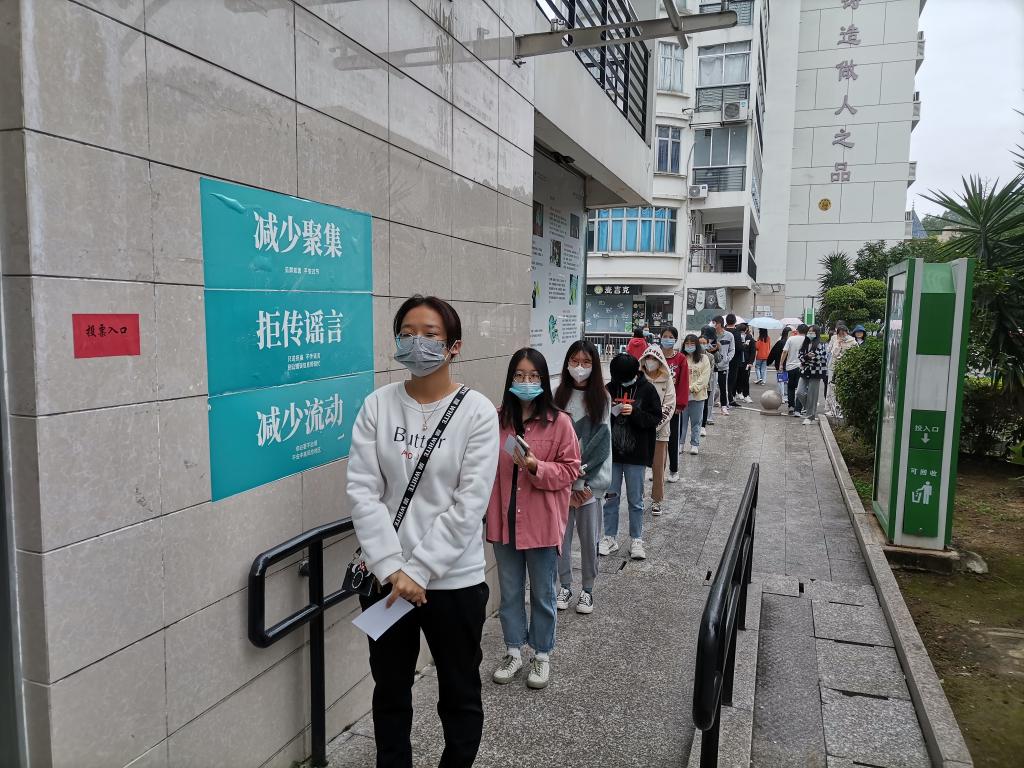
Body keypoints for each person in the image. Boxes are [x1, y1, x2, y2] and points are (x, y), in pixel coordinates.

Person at [347, 295, 500, 768]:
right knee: (390, 692)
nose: (418, 343)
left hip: (453, 582)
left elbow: (469, 504)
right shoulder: (378, 405)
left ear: (454, 345)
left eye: (430, 334)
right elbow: (363, 490)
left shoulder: (477, 412)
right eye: (407, 333)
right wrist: (392, 567)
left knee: (459, 693)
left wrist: (419, 569)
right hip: (388, 582)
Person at [486, 348, 580, 690]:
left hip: (541, 522)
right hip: (504, 521)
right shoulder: (496, 420)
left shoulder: (559, 422)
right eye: (519, 375)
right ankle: (513, 650)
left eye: (533, 376)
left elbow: (570, 470)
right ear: (510, 379)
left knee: (542, 593)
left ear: (543, 380)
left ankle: (541, 654)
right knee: (510, 592)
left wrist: (536, 466)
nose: (526, 382)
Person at [553, 341, 612, 616]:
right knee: (561, 540)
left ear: (594, 366)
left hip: (589, 487)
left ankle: (587, 589)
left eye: (586, 362)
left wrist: (590, 484)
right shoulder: (558, 395)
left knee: (589, 541)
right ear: (567, 364)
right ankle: (564, 585)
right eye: (575, 361)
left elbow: (603, 443)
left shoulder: (602, 398)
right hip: (562, 485)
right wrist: (563, 478)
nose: (580, 367)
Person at [598, 354, 662, 561]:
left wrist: (634, 412)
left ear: (635, 373)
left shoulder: (648, 389)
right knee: (611, 498)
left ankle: (636, 539)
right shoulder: (609, 388)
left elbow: (655, 418)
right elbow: (599, 417)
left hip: (637, 454)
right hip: (612, 454)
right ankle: (610, 537)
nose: (621, 382)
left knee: (636, 500)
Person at [638, 344, 677, 516]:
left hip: (660, 431)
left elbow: (669, 405)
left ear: (660, 361)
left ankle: (657, 500)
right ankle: (638, 496)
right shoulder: (638, 378)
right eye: (647, 358)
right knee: (638, 466)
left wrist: (654, 424)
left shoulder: (667, 379)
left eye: (654, 358)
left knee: (658, 466)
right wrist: (642, 422)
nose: (650, 361)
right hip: (639, 428)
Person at [659, 327, 689, 483]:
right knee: (656, 439)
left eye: (671, 337)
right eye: (665, 336)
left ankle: (673, 470)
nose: (667, 339)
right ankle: (657, 469)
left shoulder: (681, 359)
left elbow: (684, 382)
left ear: (676, 339)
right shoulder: (656, 356)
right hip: (656, 405)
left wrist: (680, 405)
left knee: (672, 439)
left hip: (673, 407)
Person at [680, 334, 712, 454]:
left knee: (696, 422)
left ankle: (694, 444)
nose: (689, 346)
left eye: (692, 343)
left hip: (698, 396)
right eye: (687, 343)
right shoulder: (681, 357)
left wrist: (691, 388)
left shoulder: (704, 358)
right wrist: (683, 390)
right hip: (682, 397)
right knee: (682, 423)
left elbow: (704, 377)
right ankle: (680, 444)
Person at [825, 323, 857, 416]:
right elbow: (833, 353)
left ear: (847, 332)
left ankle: (842, 409)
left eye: (844, 333)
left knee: (842, 387)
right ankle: (831, 408)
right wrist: (838, 344)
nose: (842, 335)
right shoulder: (835, 340)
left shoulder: (852, 341)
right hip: (833, 366)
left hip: (846, 367)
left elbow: (855, 354)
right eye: (840, 333)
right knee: (831, 387)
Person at [798, 325, 828, 424]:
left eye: (812, 332)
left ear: (817, 333)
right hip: (805, 371)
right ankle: (810, 408)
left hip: (816, 372)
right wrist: (807, 357)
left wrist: (806, 358)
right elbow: (800, 356)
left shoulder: (821, 344)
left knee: (812, 394)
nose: (810, 333)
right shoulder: (805, 343)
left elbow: (819, 358)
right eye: (809, 331)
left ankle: (810, 416)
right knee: (799, 392)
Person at [711, 315, 735, 414]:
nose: (713, 325)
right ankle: (709, 407)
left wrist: (727, 359)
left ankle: (724, 406)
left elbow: (732, 349)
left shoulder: (729, 335)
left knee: (723, 386)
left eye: (714, 323)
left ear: (719, 324)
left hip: (723, 366)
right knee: (711, 387)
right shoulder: (711, 334)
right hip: (712, 365)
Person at [700, 326, 719, 428]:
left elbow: (719, 360)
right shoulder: (698, 343)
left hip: (712, 374)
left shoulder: (716, 344)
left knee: (709, 397)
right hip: (698, 376)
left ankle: (708, 417)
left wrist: (715, 350)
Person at [767, 326, 791, 403]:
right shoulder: (791, 342)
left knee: (781, 381)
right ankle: (787, 396)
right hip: (790, 365)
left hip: (781, 365)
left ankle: (781, 397)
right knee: (787, 382)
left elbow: (773, 353)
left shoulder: (780, 342)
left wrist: (768, 362)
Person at [725, 313, 743, 406]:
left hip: (723, 358)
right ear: (735, 321)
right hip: (734, 360)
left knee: (724, 379)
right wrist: (744, 346)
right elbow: (739, 347)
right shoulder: (736, 332)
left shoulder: (723, 331)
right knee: (732, 379)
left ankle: (725, 398)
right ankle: (730, 398)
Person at [736, 323, 754, 402]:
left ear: (746, 330)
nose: (742, 333)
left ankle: (746, 395)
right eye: (740, 332)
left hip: (746, 362)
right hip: (737, 361)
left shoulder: (749, 338)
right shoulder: (736, 338)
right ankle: (738, 392)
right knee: (737, 378)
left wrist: (750, 362)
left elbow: (753, 351)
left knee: (746, 379)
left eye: (743, 331)